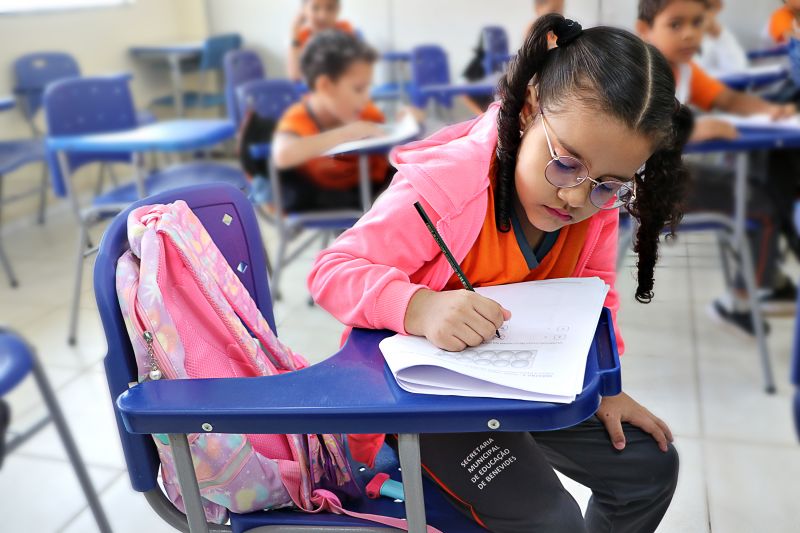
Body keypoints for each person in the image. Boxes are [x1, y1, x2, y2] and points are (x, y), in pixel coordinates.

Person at [309, 14, 688, 532]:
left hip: (527, 385)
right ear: (530, 110)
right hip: (432, 402)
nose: (578, 197)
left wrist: (609, 385)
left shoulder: (594, 203)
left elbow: (596, 297)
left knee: (649, 467)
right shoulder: (446, 186)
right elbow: (331, 271)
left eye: (608, 183)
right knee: (551, 520)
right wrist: (418, 307)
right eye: (566, 163)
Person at [638, 0, 799, 332]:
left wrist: (770, 111)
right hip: (638, 187)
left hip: (666, 175)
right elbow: (632, 130)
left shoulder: (685, 70)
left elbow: (729, 100)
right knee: (761, 206)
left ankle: (761, 281)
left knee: (755, 187)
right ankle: (743, 300)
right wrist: (694, 130)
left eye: (697, 24)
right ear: (644, 30)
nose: (689, 35)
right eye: (676, 25)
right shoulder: (641, 71)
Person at [272, 30, 391, 212]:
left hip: (367, 190)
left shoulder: (360, 111)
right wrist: (345, 134)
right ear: (325, 86)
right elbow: (283, 154)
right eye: (358, 89)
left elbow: (385, 133)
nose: (365, 97)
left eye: (368, 88)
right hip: (332, 197)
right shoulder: (299, 116)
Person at [287, 0, 354, 82]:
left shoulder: (344, 30)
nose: (323, 16)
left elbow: (351, 72)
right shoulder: (301, 36)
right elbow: (295, 76)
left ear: (338, 9)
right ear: (304, 10)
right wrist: (294, 33)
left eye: (330, 8)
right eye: (315, 8)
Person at [695, 0, 748, 74]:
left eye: (707, 7)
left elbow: (738, 71)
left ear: (718, 8)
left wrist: (716, 32)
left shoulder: (720, 37)